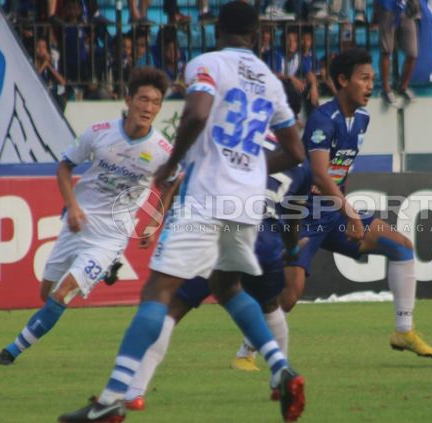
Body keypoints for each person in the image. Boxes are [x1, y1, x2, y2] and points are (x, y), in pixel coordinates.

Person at [57, 2, 306, 422]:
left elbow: (197, 112)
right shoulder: (270, 80)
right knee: (227, 288)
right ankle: (282, 369)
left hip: (207, 196)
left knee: (158, 292)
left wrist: (172, 165)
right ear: (258, 34)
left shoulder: (207, 63)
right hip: (247, 203)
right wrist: (246, 167)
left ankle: (111, 400)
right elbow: (296, 150)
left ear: (217, 30)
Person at [122, 81, 311, 407]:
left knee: (171, 307)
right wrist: (292, 250)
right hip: (264, 239)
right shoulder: (300, 161)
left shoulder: (232, 138)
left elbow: (191, 179)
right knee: (269, 307)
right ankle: (279, 378)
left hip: (216, 227)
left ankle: (133, 391)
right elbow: (292, 217)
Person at [0, 67, 173, 366]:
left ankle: (11, 351)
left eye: (156, 102)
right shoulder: (99, 133)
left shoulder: (162, 151)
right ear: (128, 100)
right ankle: (106, 270)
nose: (149, 108)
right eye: (143, 99)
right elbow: (64, 167)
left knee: (63, 294)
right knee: (46, 293)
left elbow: (170, 183)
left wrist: (155, 222)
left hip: (111, 235)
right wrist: (73, 206)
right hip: (78, 224)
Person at [280, 47, 432, 358]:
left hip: (334, 213)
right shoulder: (322, 120)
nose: (371, 86)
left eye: (373, 79)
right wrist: (351, 214)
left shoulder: (363, 119)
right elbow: (318, 174)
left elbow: (341, 172)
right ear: (342, 80)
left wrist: (345, 209)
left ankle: (403, 331)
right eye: (364, 79)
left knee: (401, 245)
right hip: (303, 214)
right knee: (290, 294)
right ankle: (246, 352)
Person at [374, 0, 419, 108]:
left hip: (407, 7)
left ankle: (403, 87)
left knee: (413, 53)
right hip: (388, 6)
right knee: (386, 50)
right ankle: (386, 89)